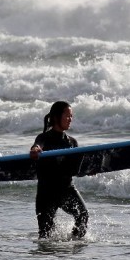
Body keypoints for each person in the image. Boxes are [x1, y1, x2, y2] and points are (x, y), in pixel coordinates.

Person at [29, 101, 89, 239]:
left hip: (66, 190)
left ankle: (73, 244)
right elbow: (37, 146)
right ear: (56, 117)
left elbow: (75, 170)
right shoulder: (44, 138)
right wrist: (35, 150)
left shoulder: (72, 143)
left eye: (71, 116)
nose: (70, 119)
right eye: (67, 116)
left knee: (83, 216)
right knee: (45, 235)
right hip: (46, 193)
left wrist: (89, 169)